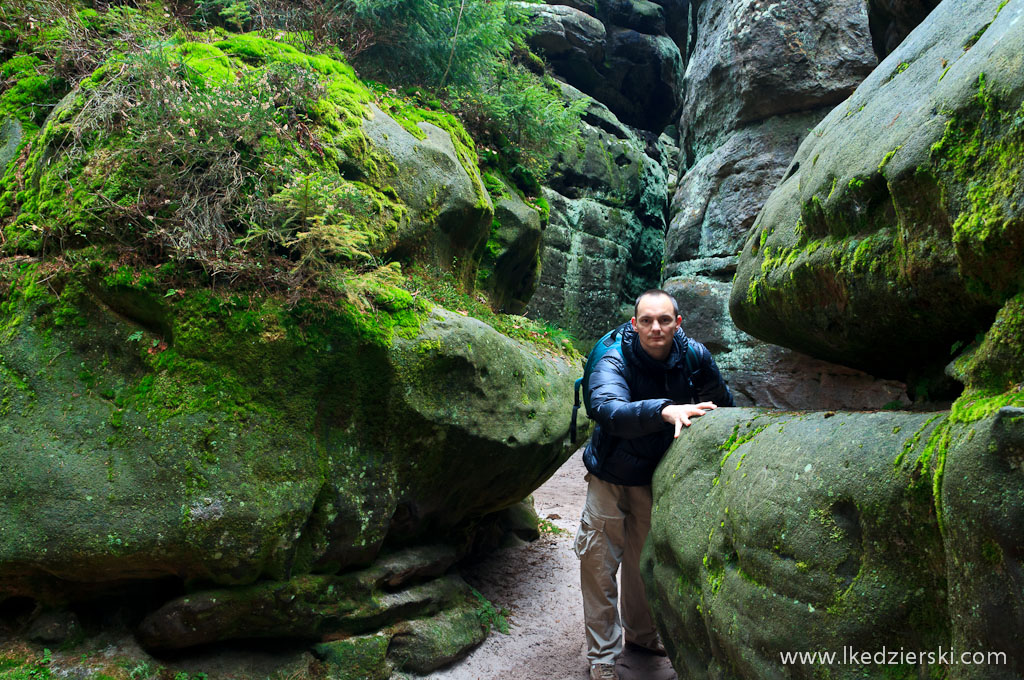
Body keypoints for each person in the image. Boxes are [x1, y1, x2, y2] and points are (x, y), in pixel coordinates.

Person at [575, 289, 734, 680]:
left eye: (664, 320)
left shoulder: (693, 356)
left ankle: (643, 636)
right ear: (634, 324)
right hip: (609, 475)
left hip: (653, 476)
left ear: (678, 323)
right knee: (598, 562)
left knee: (642, 563)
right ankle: (602, 655)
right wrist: (664, 409)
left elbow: (722, 402)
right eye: (646, 320)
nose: (655, 328)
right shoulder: (612, 353)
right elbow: (607, 408)